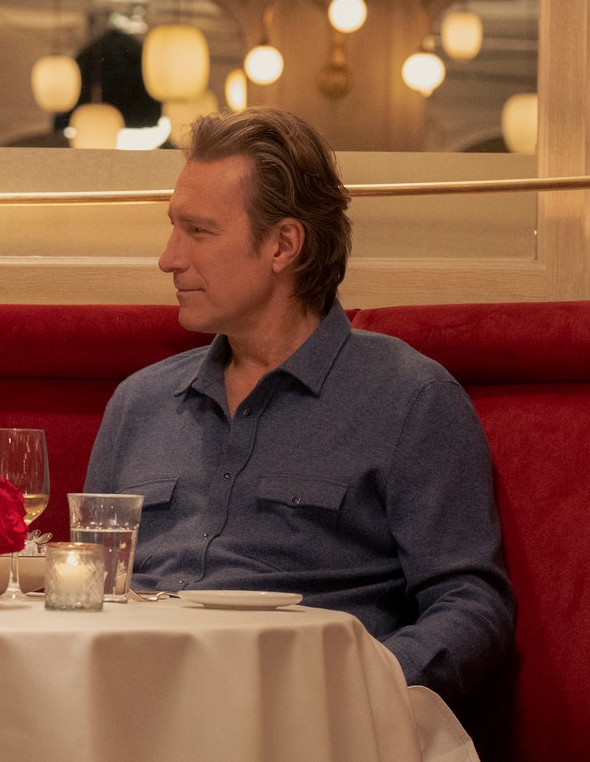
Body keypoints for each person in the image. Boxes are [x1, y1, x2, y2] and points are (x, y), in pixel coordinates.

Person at [84, 109, 514, 704]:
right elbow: (85, 590)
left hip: (304, 724)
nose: (168, 258)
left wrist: (362, 690)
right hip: (129, 707)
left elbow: (471, 605)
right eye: (172, 228)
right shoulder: (140, 403)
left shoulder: (410, 399)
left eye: (199, 232)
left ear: (284, 244)